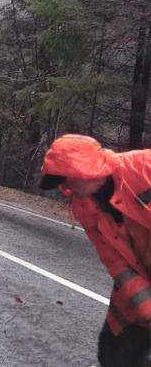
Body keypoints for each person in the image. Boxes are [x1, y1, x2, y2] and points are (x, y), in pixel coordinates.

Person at [39, 134, 151, 367]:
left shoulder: (144, 167)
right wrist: (147, 307)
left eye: (65, 180)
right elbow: (115, 262)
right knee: (114, 354)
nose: (63, 188)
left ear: (84, 171)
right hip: (139, 283)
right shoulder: (84, 206)